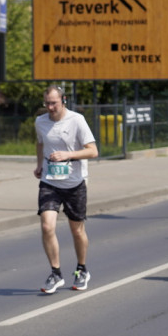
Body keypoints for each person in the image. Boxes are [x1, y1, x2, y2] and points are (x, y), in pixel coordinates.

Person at [35, 85, 98, 293]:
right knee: (47, 226)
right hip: (50, 181)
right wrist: (39, 165)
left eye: (54, 102)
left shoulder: (76, 120)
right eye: (47, 103)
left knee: (76, 230)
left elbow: (93, 151)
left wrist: (67, 155)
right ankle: (55, 272)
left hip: (74, 183)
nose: (50, 107)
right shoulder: (40, 121)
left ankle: (82, 269)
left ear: (63, 100)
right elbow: (40, 143)